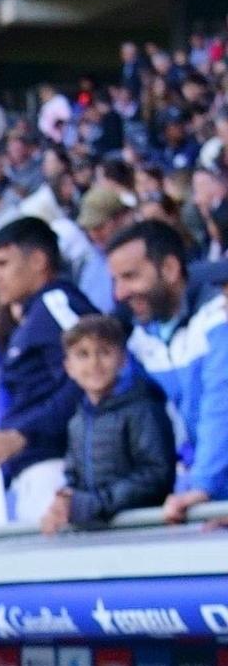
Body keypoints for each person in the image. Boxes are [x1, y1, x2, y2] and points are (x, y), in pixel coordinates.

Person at [105, 219, 228, 522]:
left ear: (170, 269)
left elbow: (221, 405)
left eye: (130, 277)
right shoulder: (139, 339)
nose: (119, 293)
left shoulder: (219, 320)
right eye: (115, 281)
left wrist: (203, 486)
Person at [0, 217, 101, 519]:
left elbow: (94, 378)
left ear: (38, 260)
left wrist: (25, 433)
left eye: (2, 264)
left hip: (58, 467)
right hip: (31, 470)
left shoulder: (57, 303)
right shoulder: (33, 314)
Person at [39, 316, 177, 534]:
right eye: (82, 355)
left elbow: (156, 474)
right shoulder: (77, 421)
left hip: (145, 532)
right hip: (99, 536)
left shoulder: (143, 408)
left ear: (122, 359)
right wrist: (64, 501)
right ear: (69, 367)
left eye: (104, 352)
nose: (94, 363)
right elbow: (73, 477)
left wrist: (95, 504)